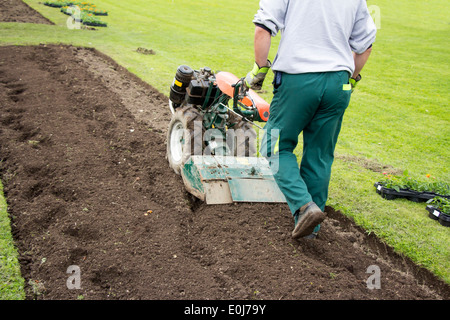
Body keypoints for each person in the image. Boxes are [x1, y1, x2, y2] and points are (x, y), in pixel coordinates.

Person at [245, 0, 377, 239]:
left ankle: (304, 206)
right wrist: (352, 79)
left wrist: (260, 69)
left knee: (274, 147)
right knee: (319, 156)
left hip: (298, 79)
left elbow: (263, 28)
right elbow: (365, 45)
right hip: (339, 82)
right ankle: (310, 231)